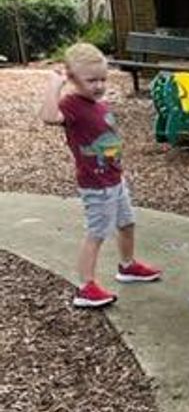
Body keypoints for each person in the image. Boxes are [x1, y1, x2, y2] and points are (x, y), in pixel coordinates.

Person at [40, 42, 161, 308]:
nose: (98, 85)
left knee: (126, 223)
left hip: (114, 180)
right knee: (96, 233)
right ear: (72, 78)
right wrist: (55, 84)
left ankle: (127, 267)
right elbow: (49, 117)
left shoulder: (96, 102)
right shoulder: (71, 103)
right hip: (95, 184)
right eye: (91, 80)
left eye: (103, 79)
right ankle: (86, 287)